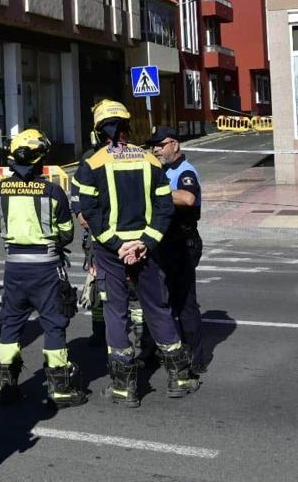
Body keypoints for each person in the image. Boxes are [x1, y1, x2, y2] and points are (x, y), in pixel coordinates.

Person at [71, 100, 198, 408]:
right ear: (128, 126)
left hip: (110, 249)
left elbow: (88, 214)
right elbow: (165, 208)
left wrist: (117, 245)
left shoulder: (92, 163)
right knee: (158, 307)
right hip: (147, 249)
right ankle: (179, 377)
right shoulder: (149, 160)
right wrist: (144, 243)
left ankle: (123, 387)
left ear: (98, 132)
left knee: (116, 311)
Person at [0, 128, 86, 409]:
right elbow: (67, 234)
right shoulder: (53, 191)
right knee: (54, 323)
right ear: (39, 160)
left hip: (14, 267)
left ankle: (7, 386)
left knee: (11, 323)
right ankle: (59, 388)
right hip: (46, 267)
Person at [148, 125, 205, 373]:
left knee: (184, 301)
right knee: (161, 300)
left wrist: (158, 193)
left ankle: (195, 358)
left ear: (175, 145)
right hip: (164, 242)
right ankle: (163, 351)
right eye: (154, 145)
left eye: (161, 145)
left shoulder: (184, 171)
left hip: (182, 242)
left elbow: (188, 198)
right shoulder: (162, 170)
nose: (156, 150)